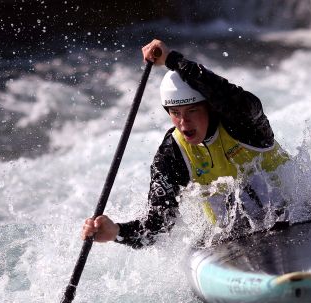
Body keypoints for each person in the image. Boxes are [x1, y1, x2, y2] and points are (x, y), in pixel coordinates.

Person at [81, 39, 290, 248]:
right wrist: (116, 232)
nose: (183, 122)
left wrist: (173, 60)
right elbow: (157, 225)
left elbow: (228, 95)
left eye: (192, 111)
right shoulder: (173, 153)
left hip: (298, 221)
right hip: (235, 242)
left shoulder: (245, 125)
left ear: (210, 107)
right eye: (175, 113)